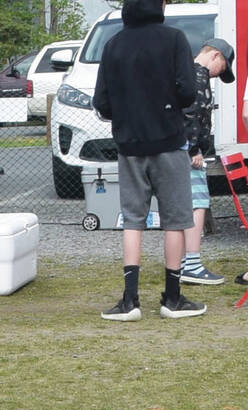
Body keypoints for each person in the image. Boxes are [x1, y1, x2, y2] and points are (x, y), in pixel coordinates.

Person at [93, 0, 204, 320]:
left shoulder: (113, 44)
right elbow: (187, 92)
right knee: (176, 219)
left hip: (129, 144)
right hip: (169, 141)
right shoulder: (174, 39)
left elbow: (101, 101)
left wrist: (126, 114)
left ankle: (130, 301)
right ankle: (172, 299)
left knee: (132, 219)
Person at [180, 38, 233, 286]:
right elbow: (192, 116)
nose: (218, 75)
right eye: (221, 68)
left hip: (173, 148)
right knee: (197, 203)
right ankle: (191, 264)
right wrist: (194, 150)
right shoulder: (199, 78)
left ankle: (181, 262)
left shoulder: (183, 72)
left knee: (180, 205)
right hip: (189, 152)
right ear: (214, 56)